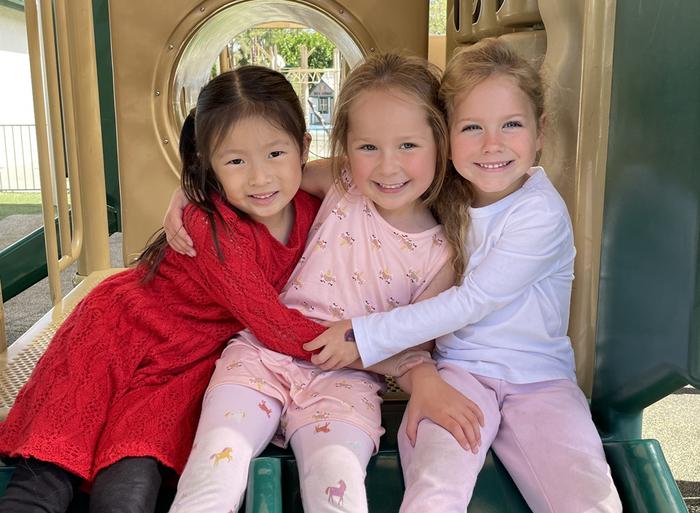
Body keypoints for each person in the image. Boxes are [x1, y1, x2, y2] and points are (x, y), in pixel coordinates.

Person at [304, 38, 623, 513]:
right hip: (459, 373)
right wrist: (198, 189)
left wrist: (363, 334)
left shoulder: (539, 214)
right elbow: (336, 169)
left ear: (540, 132)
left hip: (538, 380)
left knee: (585, 494)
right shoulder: (441, 186)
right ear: (445, 137)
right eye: (472, 127)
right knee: (436, 485)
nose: (492, 145)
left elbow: (470, 302)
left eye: (511, 125)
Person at [0, 66, 332, 513]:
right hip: (120, 328)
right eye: (235, 161)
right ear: (209, 163)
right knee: (47, 475)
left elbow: (374, 169)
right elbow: (272, 324)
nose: (259, 177)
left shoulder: (317, 207)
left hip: (191, 358)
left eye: (275, 153)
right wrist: (372, 346)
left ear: (304, 148)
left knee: (133, 476)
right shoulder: (210, 222)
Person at [163, 54, 482, 513]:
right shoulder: (343, 180)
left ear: (441, 143)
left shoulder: (442, 256)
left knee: (337, 484)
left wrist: (423, 380)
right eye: (368, 147)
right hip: (261, 358)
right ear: (346, 148)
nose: (388, 167)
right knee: (214, 470)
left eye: (409, 145)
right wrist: (185, 194)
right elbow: (257, 180)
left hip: (348, 380)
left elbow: (412, 339)